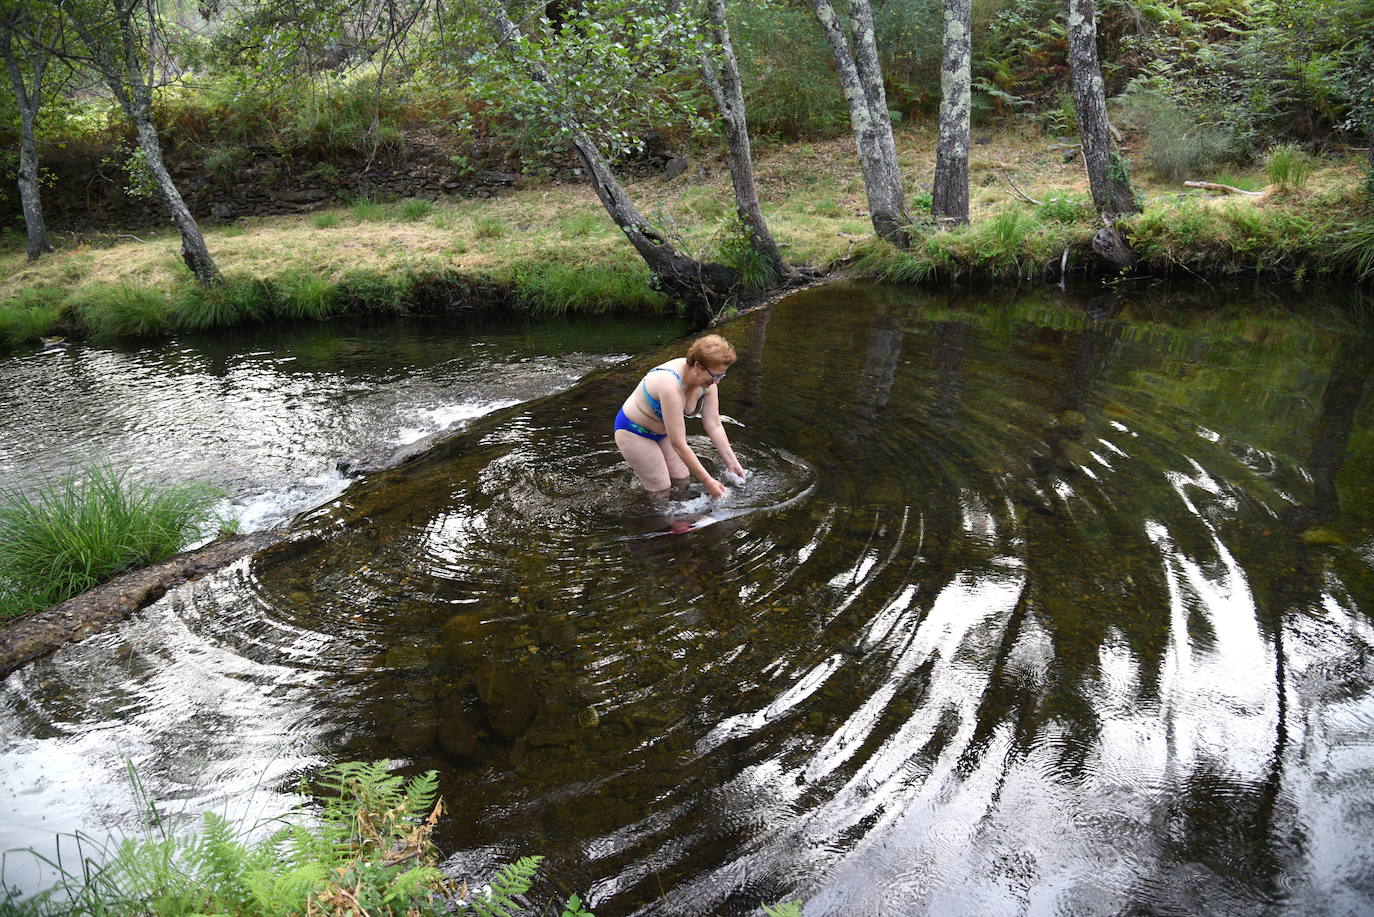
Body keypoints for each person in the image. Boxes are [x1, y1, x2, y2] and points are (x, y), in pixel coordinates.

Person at [613, 333, 747, 499]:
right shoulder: (670, 384)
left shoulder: (709, 384)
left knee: (682, 477)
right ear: (698, 366)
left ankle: (680, 518)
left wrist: (732, 463)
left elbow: (714, 425)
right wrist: (708, 482)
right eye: (715, 376)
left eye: (722, 376)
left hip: (663, 434)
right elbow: (678, 443)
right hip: (633, 431)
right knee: (661, 487)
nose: (717, 381)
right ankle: (655, 522)